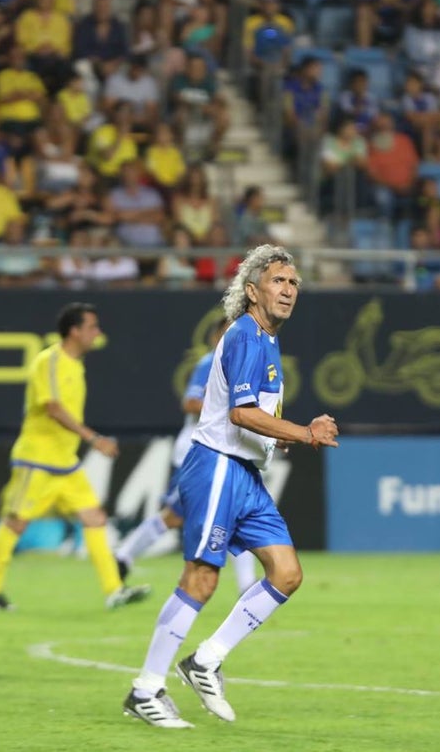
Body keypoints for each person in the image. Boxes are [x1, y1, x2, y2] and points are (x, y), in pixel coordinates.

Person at [122, 245, 340, 728]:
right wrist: (304, 433)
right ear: (252, 291)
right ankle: (146, 688)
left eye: (294, 283)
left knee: (286, 573)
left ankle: (206, 659)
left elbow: (249, 418)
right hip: (218, 466)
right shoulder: (245, 334)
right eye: (279, 281)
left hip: (245, 472)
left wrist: (275, 441)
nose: (288, 290)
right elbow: (240, 414)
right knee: (201, 577)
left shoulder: (266, 339)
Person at [0, 303, 152, 612]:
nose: (97, 333)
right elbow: (53, 408)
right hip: (37, 461)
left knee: (95, 518)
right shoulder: (50, 361)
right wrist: (94, 438)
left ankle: (114, 591)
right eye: (92, 327)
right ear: (75, 331)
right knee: (15, 524)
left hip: (65, 463)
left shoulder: (76, 364)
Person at [114, 318, 258, 594]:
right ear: (217, 337)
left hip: (218, 451)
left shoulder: (236, 367)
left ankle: (247, 586)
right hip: (197, 451)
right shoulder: (210, 363)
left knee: (232, 512)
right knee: (178, 515)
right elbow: (190, 402)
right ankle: (124, 556)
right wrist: (226, 409)